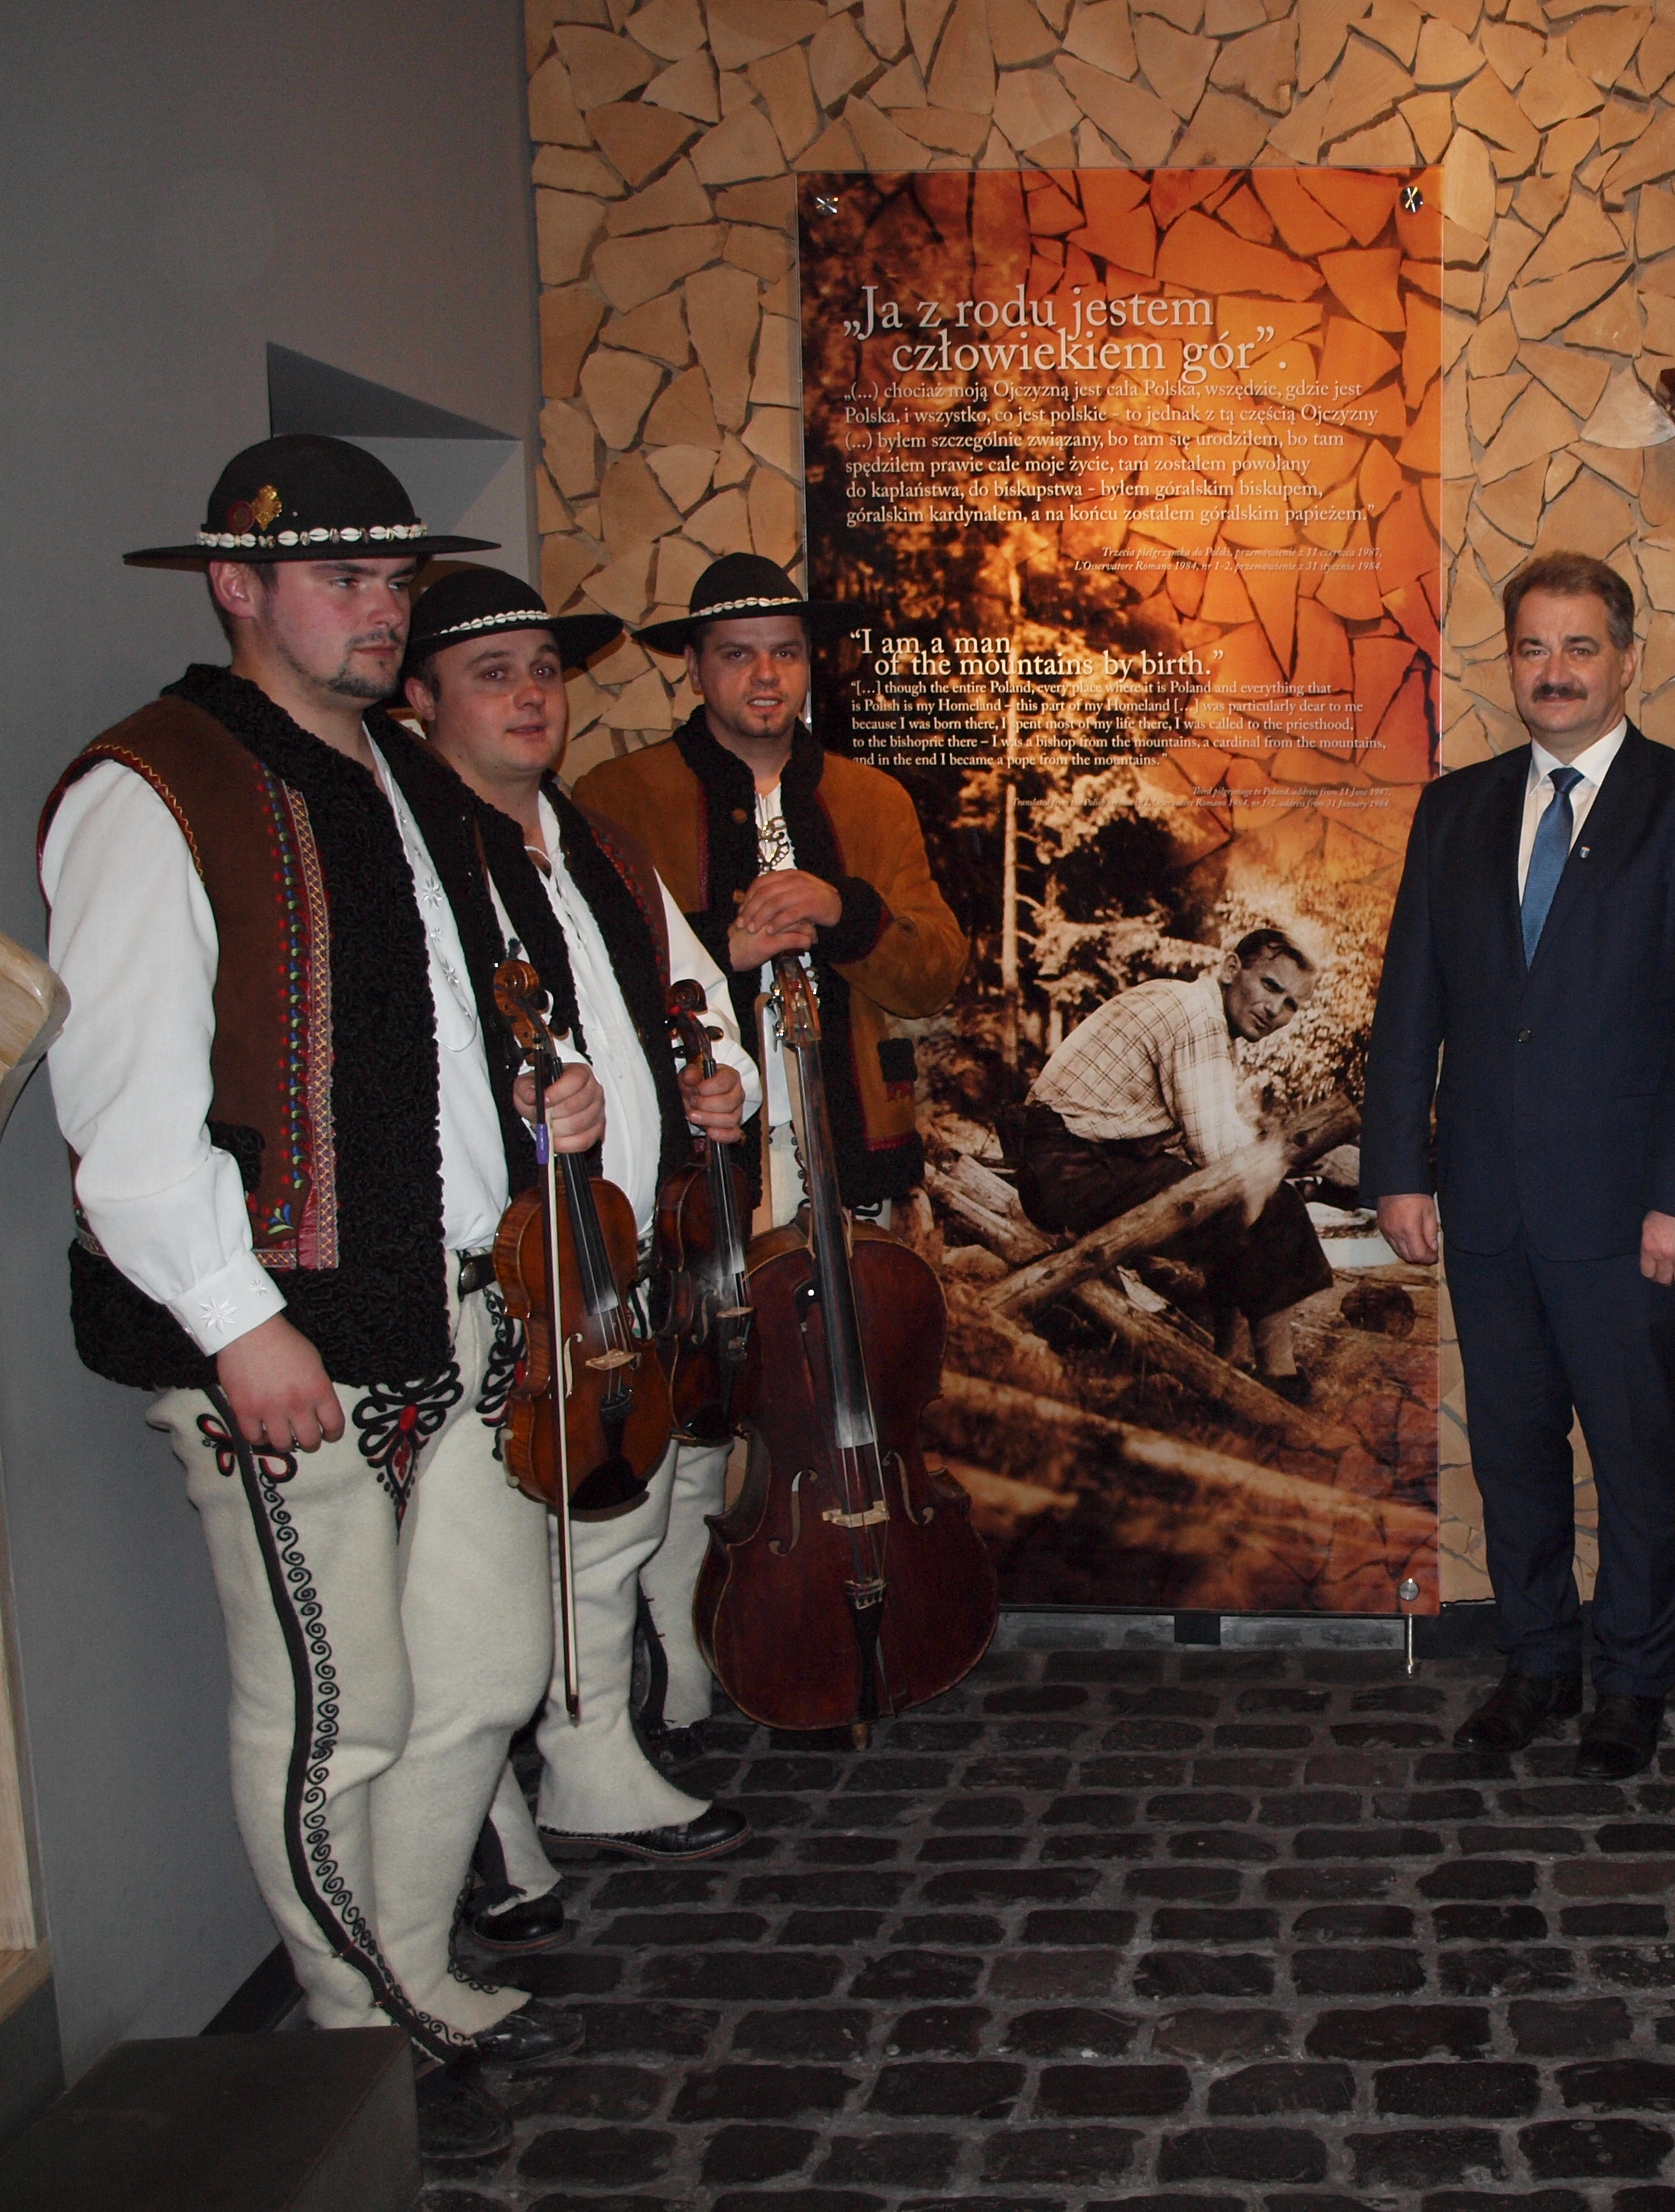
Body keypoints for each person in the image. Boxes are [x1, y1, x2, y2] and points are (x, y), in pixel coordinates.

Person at [38, 435, 595, 2160]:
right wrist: (234, 1318)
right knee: (334, 1708)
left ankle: (412, 1960)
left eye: (393, 579)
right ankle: (360, 2029)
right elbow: (123, 1103)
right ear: (236, 583)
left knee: (485, 1666)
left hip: (460, 1306)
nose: (379, 609)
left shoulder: (402, 774)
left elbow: (430, 1020)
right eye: (341, 578)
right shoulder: (157, 786)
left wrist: (540, 1098)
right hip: (287, 1333)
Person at [395, 567, 764, 1954]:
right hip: (495, 1263)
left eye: (544, 669)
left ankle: (593, 1751)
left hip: (617, 1250)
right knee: (481, 1567)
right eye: (491, 673)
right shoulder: (410, 856)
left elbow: (695, 998)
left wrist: (719, 1084)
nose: (530, 695)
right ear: (420, 699)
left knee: (616, 1510)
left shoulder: (600, 848)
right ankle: (484, 1811)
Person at [1363, 551, 1675, 1779]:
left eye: (1580, 646)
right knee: (1515, 1451)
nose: (1555, 670)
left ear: (1626, 660)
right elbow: (1410, 999)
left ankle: (1633, 1679)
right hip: (1485, 1205)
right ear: (1511, 660)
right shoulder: (1456, 808)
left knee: (1637, 1456)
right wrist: (1400, 1166)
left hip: (1630, 1214)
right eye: (1534, 647)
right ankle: (1535, 1661)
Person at [574, 553, 969, 1236]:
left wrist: (842, 910)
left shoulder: (875, 799)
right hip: (700, 1153)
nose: (766, 674)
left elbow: (934, 977)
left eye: (786, 652)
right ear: (694, 668)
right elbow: (595, 978)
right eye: (737, 654)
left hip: (853, 1147)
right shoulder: (618, 798)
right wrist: (720, 948)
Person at [1009, 928, 1334, 1396]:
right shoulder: (1197, 1018)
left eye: (1291, 1005)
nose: (1274, 1010)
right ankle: (1279, 1376)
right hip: (1069, 1168)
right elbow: (1218, 1156)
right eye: (1270, 986)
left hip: (1068, 1161)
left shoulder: (1195, 1008)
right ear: (1231, 969)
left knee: (1238, 1204)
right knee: (1272, 1206)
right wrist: (1284, 1155)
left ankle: (1229, 1358)